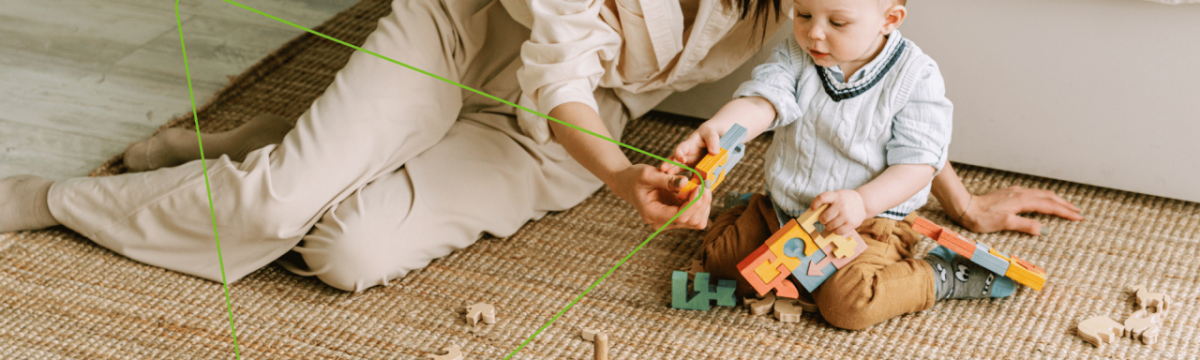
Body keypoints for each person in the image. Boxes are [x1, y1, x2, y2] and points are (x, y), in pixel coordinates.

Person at [0, 0, 1079, 294]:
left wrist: (958, 203)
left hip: (570, 120)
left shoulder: (804, 10)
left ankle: (281, 141)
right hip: (466, 41)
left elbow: (882, 88)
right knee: (276, 211)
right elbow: (557, 68)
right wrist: (620, 177)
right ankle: (53, 199)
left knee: (345, 256)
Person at [660, 0, 1082, 330]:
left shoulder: (915, 77)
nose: (814, 32)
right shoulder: (795, 54)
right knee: (719, 263)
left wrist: (862, 202)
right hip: (786, 211)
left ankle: (939, 277)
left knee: (847, 305)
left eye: (837, 23)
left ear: (889, 19)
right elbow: (762, 101)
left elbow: (919, 164)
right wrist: (716, 129)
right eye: (803, 13)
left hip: (872, 221)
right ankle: (746, 207)